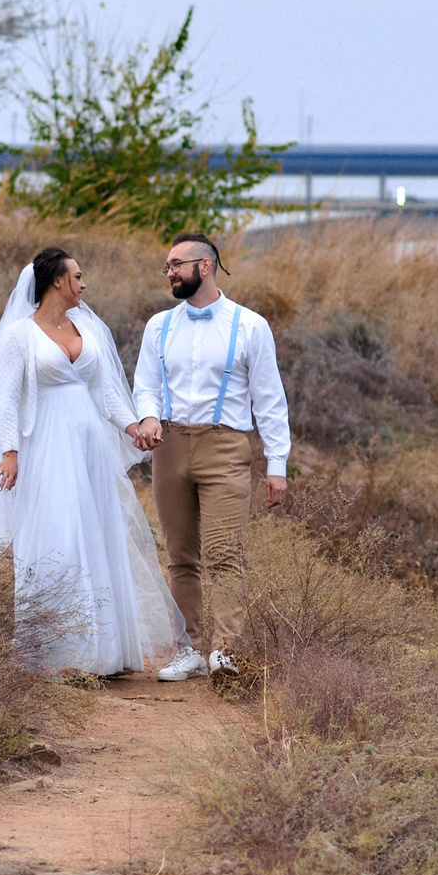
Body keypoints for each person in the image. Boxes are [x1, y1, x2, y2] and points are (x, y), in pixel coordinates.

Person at [0, 248, 185, 676]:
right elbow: (4, 400)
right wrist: (10, 452)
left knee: (97, 532)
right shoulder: (21, 334)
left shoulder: (87, 329)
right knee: (58, 534)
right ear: (57, 280)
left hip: (89, 442)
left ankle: (105, 653)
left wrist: (133, 428)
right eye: (78, 275)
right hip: (48, 443)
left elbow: (108, 392)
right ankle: (56, 653)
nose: (84, 283)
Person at [126, 233, 291, 681]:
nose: (169, 272)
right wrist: (148, 416)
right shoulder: (159, 326)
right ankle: (191, 649)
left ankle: (228, 650)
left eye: (177, 264)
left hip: (226, 447)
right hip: (170, 446)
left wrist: (277, 467)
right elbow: (145, 384)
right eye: (167, 265)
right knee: (181, 555)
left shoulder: (250, 325)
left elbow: (270, 400)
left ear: (205, 266)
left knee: (224, 554)